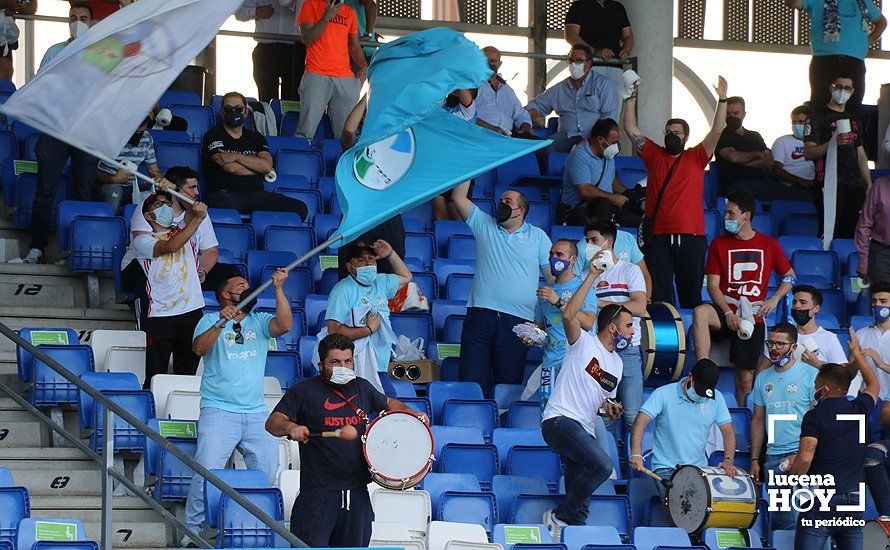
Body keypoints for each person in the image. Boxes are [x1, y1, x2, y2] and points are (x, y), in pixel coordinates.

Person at [266, 333, 414, 547]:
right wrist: (291, 427)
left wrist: (413, 415)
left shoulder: (362, 387)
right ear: (320, 364)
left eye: (348, 361)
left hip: (357, 495)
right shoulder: (303, 391)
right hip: (316, 496)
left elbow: (391, 403)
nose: (343, 367)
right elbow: (272, 422)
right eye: (335, 362)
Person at [184, 269, 292, 534]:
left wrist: (278, 289)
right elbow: (199, 348)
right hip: (218, 410)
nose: (247, 289)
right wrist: (220, 323)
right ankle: (192, 529)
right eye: (240, 286)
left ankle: (255, 527)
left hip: (256, 412)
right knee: (206, 471)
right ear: (225, 294)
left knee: (266, 472)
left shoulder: (259, 320)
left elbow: (285, 325)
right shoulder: (209, 319)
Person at [622, 76, 728, 309]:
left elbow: (718, 129)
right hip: (658, 236)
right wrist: (630, 96)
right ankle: (663, 340)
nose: (672, 135)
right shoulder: (654, 153)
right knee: (659, 296)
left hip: (691, 237)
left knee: (692, 295)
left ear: (686, 137)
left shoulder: (697, 156)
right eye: (668, 131)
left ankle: (692, 338)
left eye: (677, 132)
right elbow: (630, 128)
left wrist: (722, 99)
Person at [9, 2, 97, 265]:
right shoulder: (55, 51)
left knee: (84, 191)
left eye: (83, 18)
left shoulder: (104, 52)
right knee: (45, 190)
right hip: (56, 128)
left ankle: (78, 251)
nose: (77, 21)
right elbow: (41, 88)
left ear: (92, 23)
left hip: (87, 131)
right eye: (73, 17)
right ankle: (37, 249)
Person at [450, 180, 553, 396]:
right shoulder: (484, 224)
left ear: (521, 210)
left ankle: (501, 427)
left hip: (519, 321)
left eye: (507, 201)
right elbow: (458, 198)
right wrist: (471, 166)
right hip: (480, 315)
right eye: (500, 200)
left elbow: (554, 280)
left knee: (508, 383)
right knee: (471, 380)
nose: (501, 204)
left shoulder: (538, 236)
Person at [693, 191, 795, 406]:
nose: (726, 217)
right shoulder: (719, 244)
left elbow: (789, 277)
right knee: (700, 312)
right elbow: (712, 286)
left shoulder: (768, 243)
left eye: (731, 213)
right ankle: (702, 367)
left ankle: (743, 415)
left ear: (746, 216)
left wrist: (774, 299)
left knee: (745, 378)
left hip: (752, 315)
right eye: (726, 213)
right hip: (726, 308)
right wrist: (728, 312)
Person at [540, 298, 630, 540]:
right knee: (603, 465)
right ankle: (557, 516)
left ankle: (562, 535)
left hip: (584, 430)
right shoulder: (584, 344)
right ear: (613, 328)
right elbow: (569, 315)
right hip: (560, 421)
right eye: (629, 326)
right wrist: (591, 275)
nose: (633, 332)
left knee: (579, 514)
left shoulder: (618, 364)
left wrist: (609, 410)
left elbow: (602, 402)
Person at [789, 331, 880, 549]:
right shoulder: (859, 408)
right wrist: (857, 355)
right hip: (853, 499)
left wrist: (791, 479)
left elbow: (805, 458)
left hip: (821, 499)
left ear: (825, 389)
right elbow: (873, 383)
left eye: (816, 384)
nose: (814, 388)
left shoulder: (815, 415)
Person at [121, 167, 222, 330]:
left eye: (197, 187)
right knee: (149, 279)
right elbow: (160, 245)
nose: (197, 192)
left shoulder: (198, 212)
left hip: (180, 267)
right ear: (175, 188)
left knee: (228, 273)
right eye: (191, 187)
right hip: (143, 265)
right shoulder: (149, 207)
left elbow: (210, 250)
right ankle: (149, 328)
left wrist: (202, 271)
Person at [130, 193, 208, 387]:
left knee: (187, 377)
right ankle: (151, 414)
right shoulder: (142, 241)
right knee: (156, 377)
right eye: (158, 204)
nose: (165, 206)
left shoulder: (184, 230)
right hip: (160, 315)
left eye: (168, 203)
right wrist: (198, 218)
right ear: (148, 216)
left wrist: (172, 189)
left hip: (191, 311)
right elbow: (170, 246)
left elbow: (193, 208)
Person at [630, 358, 738, 496]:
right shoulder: (663, 393)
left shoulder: (717, 398)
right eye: (699, 389)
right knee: (686, 508)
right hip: (666, 468)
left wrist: (728, 460)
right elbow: (640, 422)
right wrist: (636, 453)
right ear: (690, 377)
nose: (701, 395)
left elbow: (727, 431)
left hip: (700, 468)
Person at [749, 322, 816, 531]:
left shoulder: (810, 375)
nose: (774, 348)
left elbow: (818, 418)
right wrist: (754, 459)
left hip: (802, 456)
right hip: (774, 458)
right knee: (784, 524)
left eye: (780, 344)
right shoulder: (762, 378)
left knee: (808, 521)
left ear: (794, 347)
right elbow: (758, 420)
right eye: (771, 343)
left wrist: (803, 454)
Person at [202, 91, 308, 218]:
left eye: (239, 109)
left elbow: (267, 165)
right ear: (223, 113)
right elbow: (231, 168)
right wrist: (258, 167)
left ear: (246, 112)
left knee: (300, 208)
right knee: (221, 204)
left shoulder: (255, 137)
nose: (234, 112)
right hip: (226, 195)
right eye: (228, 109)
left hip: (257, 194)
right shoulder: (213, 135)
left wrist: (236, 157)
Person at [586, 220, 646, 435]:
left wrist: (603, 304)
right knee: (605, 418)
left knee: (632, 416)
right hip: (600, 353)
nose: (589, 245)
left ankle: (634, 465)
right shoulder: (589, 275)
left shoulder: (629, 270)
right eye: (587, 241)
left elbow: (639, 306)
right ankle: (610, 469)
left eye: (594, 240)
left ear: (609, 242)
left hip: (627, 350)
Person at [521, 239, 597, 408]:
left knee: (578, 415)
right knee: (548, 416)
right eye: (551, 254)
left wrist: (558, 301)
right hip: (550, 364)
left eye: (559, 255)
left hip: (579, 364)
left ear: (573, 260)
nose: (553, 259)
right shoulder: (545, 293)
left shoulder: (583, 288)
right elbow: (539, 328)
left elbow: (588, 323)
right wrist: (530, 336)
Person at [324, 240, 411, 385]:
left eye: (371, 258)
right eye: (360, 260)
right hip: (355, 369)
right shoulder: (343, 290)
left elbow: (406, 277)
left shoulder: (380, 282)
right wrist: (368, 330)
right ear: (349, 266)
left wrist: (390, 253)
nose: (367, 263)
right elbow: (334, 331)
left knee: (389, 406)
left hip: (380, 366)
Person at [784, 0, 886, 115]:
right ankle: (821, 132)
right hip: (824, 61)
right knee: (820, 105)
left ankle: (851, 133)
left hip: (855, 62)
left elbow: (882, 22)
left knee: (853, 107)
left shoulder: (863, 2)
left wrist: (867, 41)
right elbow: (792, 3)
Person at [803, 74, 873, 239]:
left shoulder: (854, 119)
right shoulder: (816, 116)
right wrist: (833, 143)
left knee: (852, 234)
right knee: (828, 233)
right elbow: (808, 153)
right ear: (831, 87)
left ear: (853, 91)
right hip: (829, 183)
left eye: (847, 88)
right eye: (839, 87)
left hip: (855, 185)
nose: (842, 91)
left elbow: (861, 155)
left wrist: (869, 184)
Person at [526, 44, 620, 153]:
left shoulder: (604, 84)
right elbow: (532, 106)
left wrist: (589, 141)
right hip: (567, 137)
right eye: (570, 60)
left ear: (588, 63)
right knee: (543, 149)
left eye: (579, 61)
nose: (573, 64)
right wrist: (534, 113)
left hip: (597, 138)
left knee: (604, 149)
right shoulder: (559, 89)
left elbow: (609, 119)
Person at [296, 0, 366, 141]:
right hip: (316, 74)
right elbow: (307, 39)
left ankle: (343, 162)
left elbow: (354, 46)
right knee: (306, 130)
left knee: (347, 134)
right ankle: (301, 161)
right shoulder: (309, 5)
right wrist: (326, 17)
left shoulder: (348, 11)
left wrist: (364, 65)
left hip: (345, 77)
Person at [560, 118, 637, 227]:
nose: (616, 147)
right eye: (613, 143)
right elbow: (585, 190)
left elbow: (612, 181)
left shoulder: (607, 155)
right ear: (601, 140)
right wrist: (614, 198)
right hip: (582, 211)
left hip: (606, 208)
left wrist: (628, 193)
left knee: (638, 224)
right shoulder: (579, 155)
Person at [573, 198, 652, 299]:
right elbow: (572, 283)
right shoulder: (581, 247)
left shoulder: (627, 238)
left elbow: (644, 275)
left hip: (629, 303)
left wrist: (646, 303)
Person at [235, 0, 305, 102]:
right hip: (265, 50)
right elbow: (239, 12)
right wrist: (256, 11)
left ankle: (288, 118)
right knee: (266, 96)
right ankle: (268, 118)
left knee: (293, 95)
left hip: (294, 50)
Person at [765, 285, 847, 371]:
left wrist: (818, 364)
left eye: (803, 302)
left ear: (816, 308)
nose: (797, 306)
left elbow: (841, 373)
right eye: (794, 302)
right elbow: (764, 368)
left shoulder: (829, 338)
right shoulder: (783, 335)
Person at [95, 114, 161, 214]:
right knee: (115, 191)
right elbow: (89, 174)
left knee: (161, 192)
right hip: (106, 184)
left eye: (141, 132)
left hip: (132, 186)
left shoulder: (147, 138)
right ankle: (112, 227)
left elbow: (154, 171)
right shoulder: (107, 138)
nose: (138, 135)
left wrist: (158, 179)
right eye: (135, 132)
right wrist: (114, 179)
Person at [714, 96, 773, 197]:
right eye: (728, 114)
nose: (731, 117)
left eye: (736, 113)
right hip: (735, 187)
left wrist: (742, 162)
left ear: (744, 114)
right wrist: (757, 154)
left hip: (762, 184)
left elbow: (769, 161)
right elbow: (733, 157)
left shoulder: (755, 136)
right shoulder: (720, 136)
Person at [475, 46, 534, 137]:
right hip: (480, 136)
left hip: (507, 138)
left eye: (493, 61)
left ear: (499, 64)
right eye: (485, 60)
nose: (489, 64)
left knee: (543, 147)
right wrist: (492, 128)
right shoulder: (472, 85)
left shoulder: (507, 89)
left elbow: (521, 115)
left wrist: (526, 126)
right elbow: (466, 116)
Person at [770, 105, 817, 200]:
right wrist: (802, 182)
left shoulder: (818, 143)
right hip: (790, 187)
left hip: (815, 185)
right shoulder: (782, 141)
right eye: (793, 122)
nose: (796, 126)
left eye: (801, 122)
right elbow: (776, 171)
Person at [563, 0, 632, 62]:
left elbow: (628, 36)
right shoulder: (579, 6)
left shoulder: (618, 7)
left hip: (615, 63)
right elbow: (571, 35)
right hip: (589, 63)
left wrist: (626, 51)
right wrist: (594, 52)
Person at [856, 285, 890, 399]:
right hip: (868, 401)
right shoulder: (860, 334)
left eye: (883, 301)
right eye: (874, 301)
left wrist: (881, 364)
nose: (877, 305)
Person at [855, 176, 890, 286]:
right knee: (881, 297)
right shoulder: (880, 186)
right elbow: (864, 225)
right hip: (881, 254)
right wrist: (863, 259)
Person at [0, 0, 37, 81]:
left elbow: (32, 8)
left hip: (5, 40)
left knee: (5, 76)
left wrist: (19, 5)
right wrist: (5, 3)